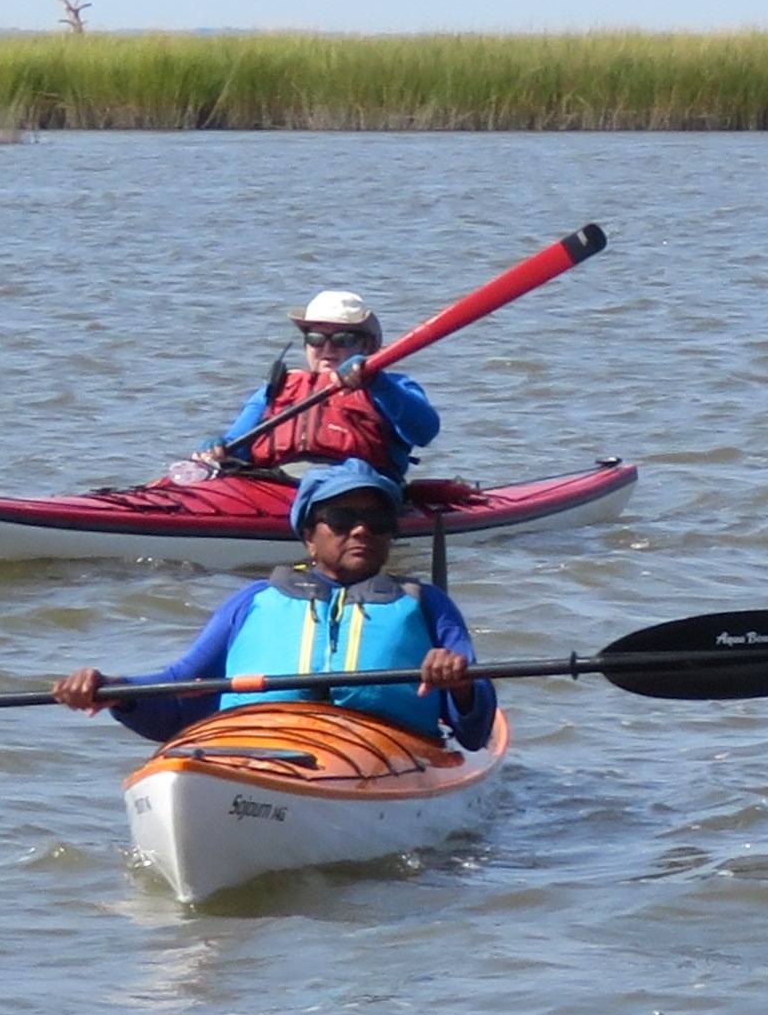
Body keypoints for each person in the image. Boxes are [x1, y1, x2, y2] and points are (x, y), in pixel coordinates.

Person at [53, 463, 494, 747]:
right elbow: (180, 693)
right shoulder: (254, 601)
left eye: (377, 522)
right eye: (341, 520)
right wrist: (112, 690)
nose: (360, 531)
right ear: (308, 536)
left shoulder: (426, 604)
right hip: (258, 746)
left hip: (388, 752)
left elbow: (475, 729)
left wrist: (457, 682)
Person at [190, 289, 439, 480]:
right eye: (316, 339)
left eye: (343, 339)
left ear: (366, 346)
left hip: (359, 487)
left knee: (342, 486)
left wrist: (377, 383)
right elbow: (237, 442)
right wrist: (217, 448)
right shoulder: (277, 387)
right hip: (278, 483)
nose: (328, 349)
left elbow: (425, 431)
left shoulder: (390, 386)